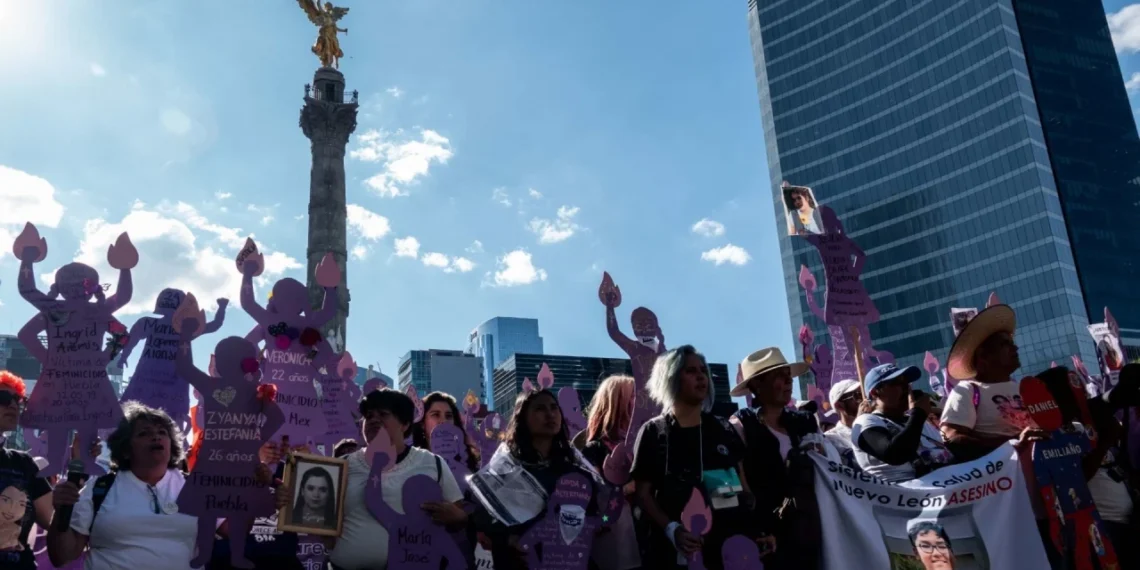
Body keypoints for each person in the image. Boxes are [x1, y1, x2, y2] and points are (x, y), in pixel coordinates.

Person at [630, 345, 765, 570]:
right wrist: (672, 529)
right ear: (670, 377)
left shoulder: (723, 428)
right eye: (690, 371)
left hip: (731, 549)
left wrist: (757, 530)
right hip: (681, 554)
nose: (701, 376)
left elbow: (744, 488)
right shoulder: (654, 431)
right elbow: (643, 495)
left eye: (703, 370)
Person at [939, 305, 1055, 565]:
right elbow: (952, 438)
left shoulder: (1028, 388)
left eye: (1012, 343)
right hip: (1009, 507)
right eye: (1005, 344)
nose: (1015, 348)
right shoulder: (967, 391)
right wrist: (1013, 444)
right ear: (983, 356)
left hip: (1051, 499)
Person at [309, 388, 466, 570]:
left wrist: (457, 517)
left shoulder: (432, 463)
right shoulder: (342, 465)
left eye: (383, 414)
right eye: (369, 416)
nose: (374, 420)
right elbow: (321, 520)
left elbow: (459, 517)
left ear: (405, 424)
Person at [47, 402, 209, 569]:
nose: (156, 437)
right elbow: (61, 556)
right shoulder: (99, 488)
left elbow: (231, 532)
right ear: (125, 449)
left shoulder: (195, 488)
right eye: (144, 433)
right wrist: (61, 511)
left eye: (162, 432)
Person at [469, 388, 606, 570]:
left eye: (554, 408)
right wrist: (510, 540)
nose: (550, 414)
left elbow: (594, 520)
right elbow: (481, 519)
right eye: (540, 409)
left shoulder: (577, 474)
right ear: (522, 417)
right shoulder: (504, 471)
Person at [728, 347, 816, 570]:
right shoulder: (740, 425)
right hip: (770, 537)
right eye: (779, 376)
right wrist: (760, 529)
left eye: (789, 375)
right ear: (757, 385)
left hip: (811, 529)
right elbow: (742, 487)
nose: (788, 381)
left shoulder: (805, 421)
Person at [580, 374, 641, 570]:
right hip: (614, 540)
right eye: (633, 396)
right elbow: (597, 495)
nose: (640, 402)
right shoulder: (594, 449)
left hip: (648, 537)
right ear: (616, 403)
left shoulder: (645, 442)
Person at [851, 365, 952, 482]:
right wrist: (918, 413)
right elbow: (895, 455)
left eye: (906, 381)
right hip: (903, 497)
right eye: (896, 382)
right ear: (875, 393)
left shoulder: (918, 421)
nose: (906, 387)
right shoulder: (866, 421)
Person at [0, 371, 52, 570]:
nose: (13, 405)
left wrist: (78, 475)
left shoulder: (24, 464)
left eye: (18, 400)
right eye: (4, 398)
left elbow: (54, 522)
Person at [411, 391, 481, 472]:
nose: (443, 421)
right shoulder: (412, 462)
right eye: (436, 415)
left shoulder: (466, 461)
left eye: (448, 416)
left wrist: (474, 443)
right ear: (422, 423)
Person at [824, 379, 862, 469]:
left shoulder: (879, 426)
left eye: (863, 394)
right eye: (857, 395)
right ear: (839, 405)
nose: (863, 400)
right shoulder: (830, 439)